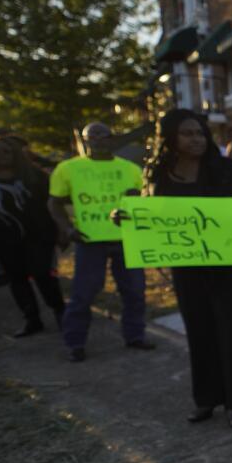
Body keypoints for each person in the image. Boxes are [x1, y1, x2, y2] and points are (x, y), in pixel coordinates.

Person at [131, 110, 232, 428]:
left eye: (200, 133)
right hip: (187, 264)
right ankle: (207, 398)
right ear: (170, 139)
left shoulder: (227, 169)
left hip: (228, 263)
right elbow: (149, 214)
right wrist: (124, 218)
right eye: (187, 134)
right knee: (198, 328)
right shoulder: (158, 173)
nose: (196, 139)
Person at [48, 122, 154, 362]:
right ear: (84, 141)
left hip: (126, 239)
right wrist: (67, 228)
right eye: (90, 137)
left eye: (101, 136)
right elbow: (54, 202)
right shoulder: (68, 168)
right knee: (83, 294)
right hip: (89, 240)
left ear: (112, 139)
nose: (96, 141)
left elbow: (143, 200)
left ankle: (135, 335)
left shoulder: (130, 169)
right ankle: (75, 343)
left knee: (135, 291)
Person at [0, 133, 64, 337]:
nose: (2, 156)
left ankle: (60, 311)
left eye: (7, 151)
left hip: (39, 236)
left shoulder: (34, 176)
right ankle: (32, 319)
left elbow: (53, 205)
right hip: (3, 240)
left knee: (44, 275)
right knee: (17, 279)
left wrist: (59, 230)